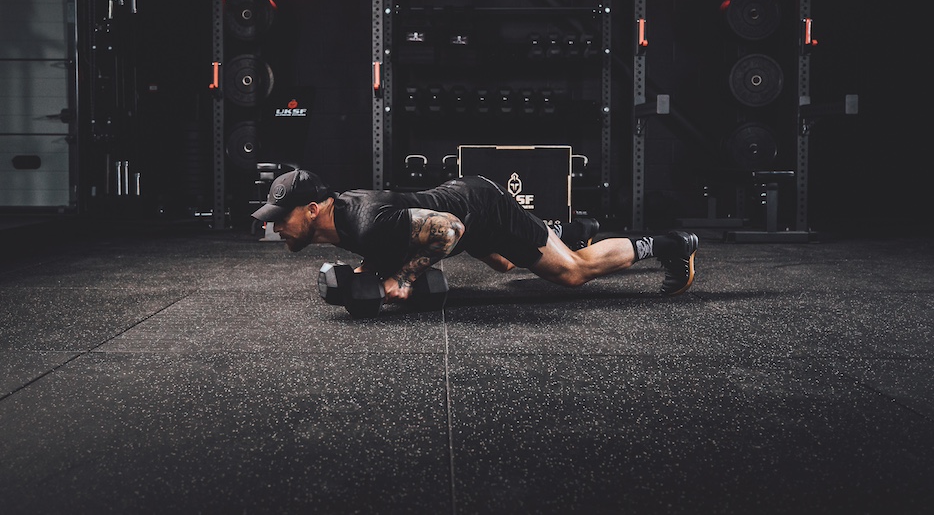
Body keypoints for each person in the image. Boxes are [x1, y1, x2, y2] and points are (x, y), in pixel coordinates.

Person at [252, 168, 698, 302]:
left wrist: (402, 280)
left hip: (480, 213)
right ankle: (565, 230)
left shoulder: (364, 219)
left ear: (312, 210)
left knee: (574, 273)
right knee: (505, 264)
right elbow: (387, 242)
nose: (274, 226)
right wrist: (372, 269)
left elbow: (450, 230)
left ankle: (670, 245)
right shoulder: (339, 217)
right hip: (467, 207)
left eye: (280, 216)